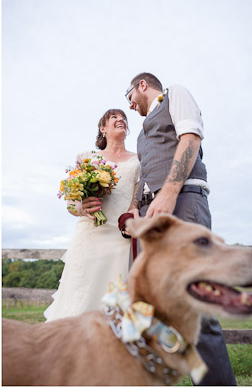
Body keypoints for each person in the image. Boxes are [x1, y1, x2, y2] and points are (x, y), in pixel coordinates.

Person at [124, 72, 236, 386]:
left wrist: (170, 192)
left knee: (196, 303)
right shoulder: (141, 136)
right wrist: (135, 207)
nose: (131, 107)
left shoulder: (176, 94)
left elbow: (190, 138)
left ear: (141, 86)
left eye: (129, 97)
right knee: (148, 305)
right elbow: (145, 174)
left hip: (182, 202)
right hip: (151, 215)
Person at [44, 109, 140, 321]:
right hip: (89, 236)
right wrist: (82, 207)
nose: (121, 119)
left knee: (114, 300)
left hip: (120, 239)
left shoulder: (137, 161)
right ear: (102, 128)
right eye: (114, 117)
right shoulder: (86, 158)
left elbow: (136, 201)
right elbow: (71, 205)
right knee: (80, 296)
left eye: (124, 118)